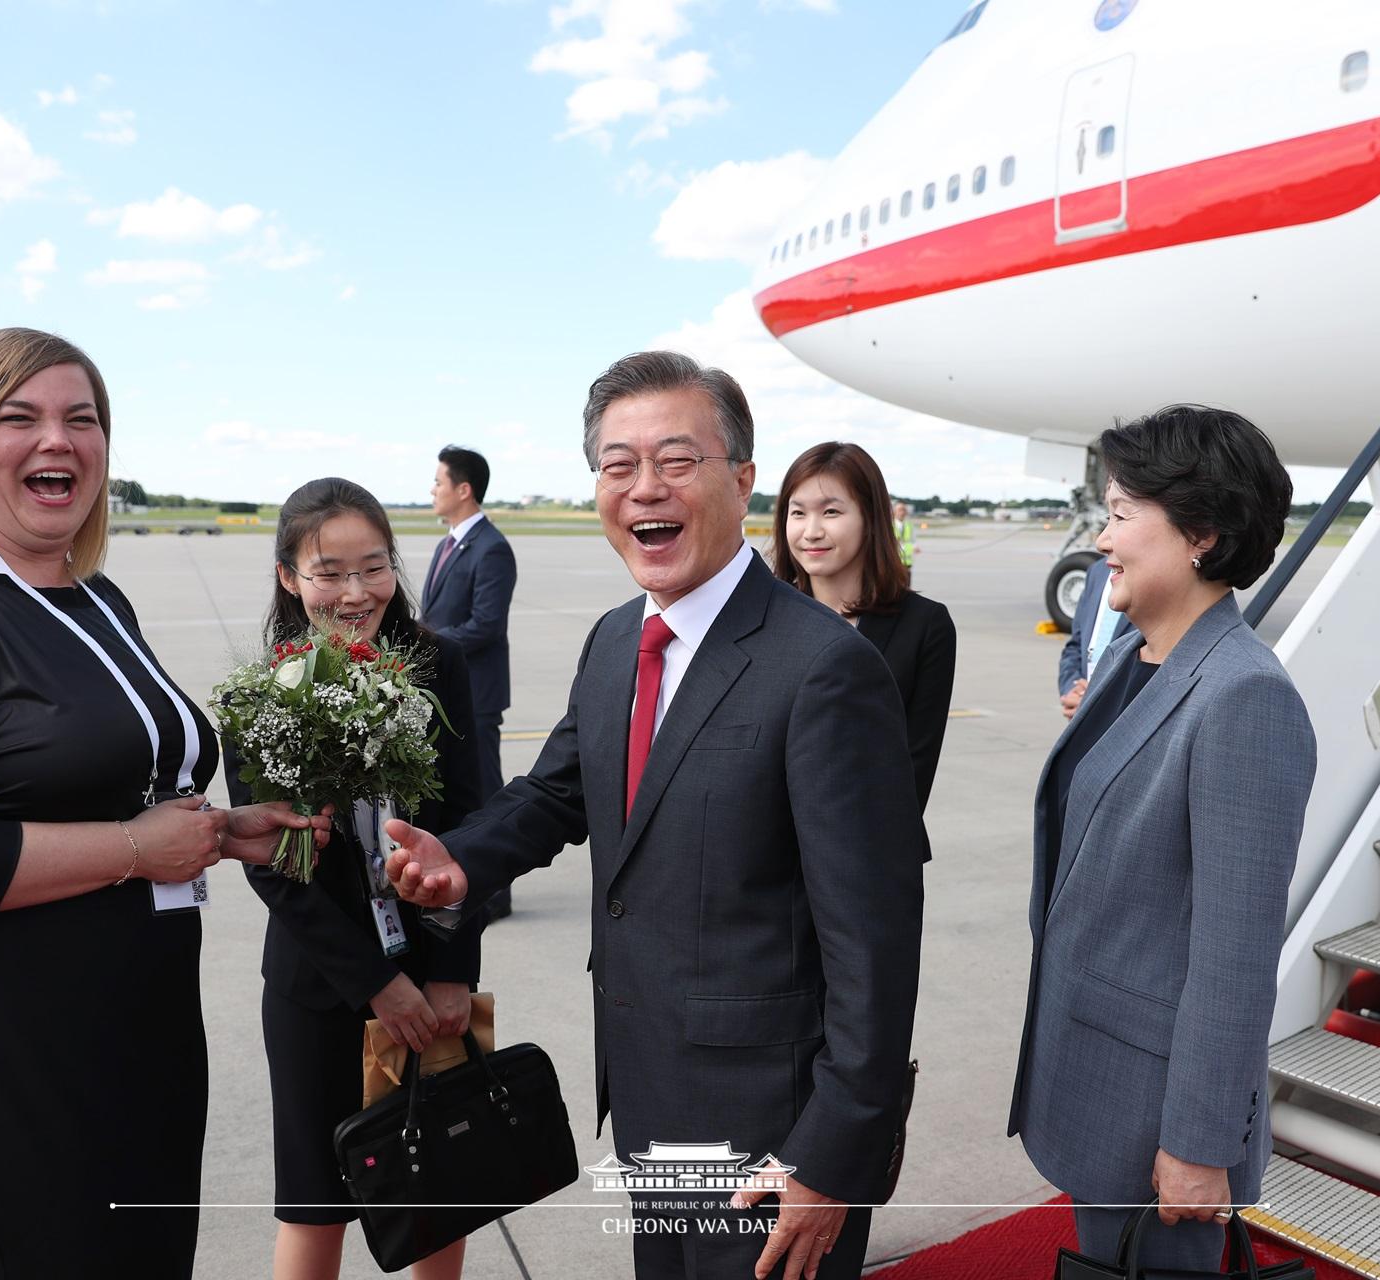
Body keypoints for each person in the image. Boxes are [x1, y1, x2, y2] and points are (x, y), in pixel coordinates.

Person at [0, 328, 329, 1279]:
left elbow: (108, 781)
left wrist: (214, 831)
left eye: (83, 420)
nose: (60, 441)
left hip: (139, 1020)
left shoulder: (96, 595)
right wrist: (131, 847)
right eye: (20, 417)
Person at [386, 351, 925, 1280]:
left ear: (744, 480)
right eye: (616, 464)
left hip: (772, 1124)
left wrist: (834, 1152)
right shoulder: (614, 641)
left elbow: (875, 941)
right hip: (647, 1086)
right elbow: (556, 790)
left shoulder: (822, 669)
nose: (644, 488)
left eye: (677, 460)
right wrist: (459, 859)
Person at [1008, 405, 1315, 1275]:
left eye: (1120, 513)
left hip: (1158, 1120)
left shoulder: (1245, 698)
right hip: (1096, 1080)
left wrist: (1200, 1142)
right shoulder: (1126, 658)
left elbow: (1236, 951)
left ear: (1201, 535)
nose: (1103, 539)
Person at [229, 477, 484, 1280]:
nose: (354, 592)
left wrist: (449, 975)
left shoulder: (440, 664)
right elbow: (275, 873)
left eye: (373, 568)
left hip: (431, 967)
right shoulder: (265, 690)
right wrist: (377, 984)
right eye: (328, 571)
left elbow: (475, 826)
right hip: (321, 986)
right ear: (287, 577)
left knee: (439, 1191)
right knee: (316, 1203)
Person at [772, 443, 956, 819]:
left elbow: (913, 772)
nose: (811, 531)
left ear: (871, 517)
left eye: (831, 512)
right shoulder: (764, 617)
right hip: (764, 866)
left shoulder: (925, 626)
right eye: (798, 513)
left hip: (871, 854)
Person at [422, 445, 517, 922]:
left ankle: (495, 894)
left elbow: (485, 625)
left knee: (485, 794)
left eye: (438, 482)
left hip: (476, 693)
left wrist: (425, 643)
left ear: (464, 489)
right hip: (447, 693)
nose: (432, 490)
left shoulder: (492, 548)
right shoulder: (448, 544)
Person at [1056, 557, 1133, 720]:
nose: (1102, 543)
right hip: (1083, 713)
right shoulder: (1097, 571)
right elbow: (1075, 646)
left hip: (1123, 715)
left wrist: (1097, 701)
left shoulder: (1147, 575)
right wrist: (1073, 690)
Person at [892, 501, 916, 587]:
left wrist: (915, 547)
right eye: (900, 509)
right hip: (893, 563)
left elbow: (912, 541)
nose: (902, 512)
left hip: (906, 563)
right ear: (894, 511)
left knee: (907, 589)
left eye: (904, 510)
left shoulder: (909, 525)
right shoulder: (889, 525)